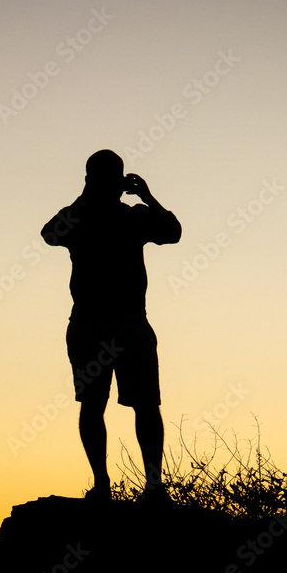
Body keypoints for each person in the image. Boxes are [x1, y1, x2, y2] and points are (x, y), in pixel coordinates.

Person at [41, 149, 182, 503]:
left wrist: (146, 198)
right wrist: (141, 196)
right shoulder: (95, 217)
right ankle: (110, 485)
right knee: (102, 404)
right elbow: (49, 234)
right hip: (98, 323)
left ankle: (139, 487)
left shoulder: (129, 218)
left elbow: (173, 233)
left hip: (119, 322)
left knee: (138, 404)